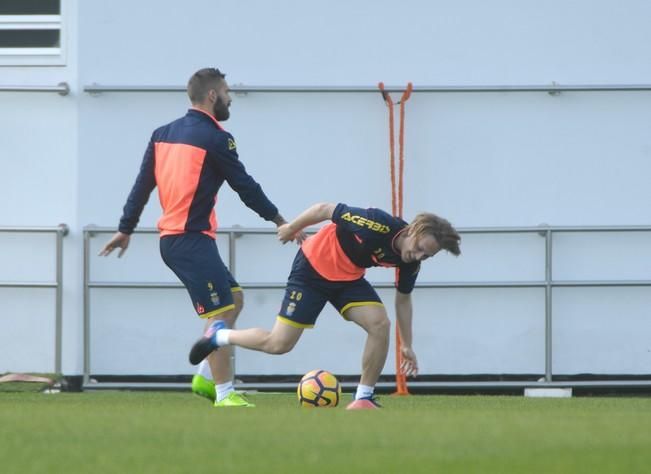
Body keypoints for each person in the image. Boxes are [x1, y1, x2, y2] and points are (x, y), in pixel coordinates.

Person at [100, 67, 302, 408]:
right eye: (226, 92)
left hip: (182, 241)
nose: (230, 98)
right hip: (188, 240)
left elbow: (142, 185)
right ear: (212, 96)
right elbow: (245, 186)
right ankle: (224, 394)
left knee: (234, 300)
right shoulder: (217, 139)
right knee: (220, 313)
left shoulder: (162, 134)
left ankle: (205, 380)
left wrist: (126, 227)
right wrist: (281, 220)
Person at [189, 202, 461, 409]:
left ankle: (363, 398)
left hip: (348, 278)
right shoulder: (377, 223)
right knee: (278, 344)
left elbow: (403, 299)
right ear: (412, 230)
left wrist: (407, 345)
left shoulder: (411, 262)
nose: (419, 255)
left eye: (428, 254)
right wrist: (291, 227)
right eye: (419, 247)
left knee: (380, 324)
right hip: (312, 270)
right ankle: (219, 335)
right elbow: (325, 209)